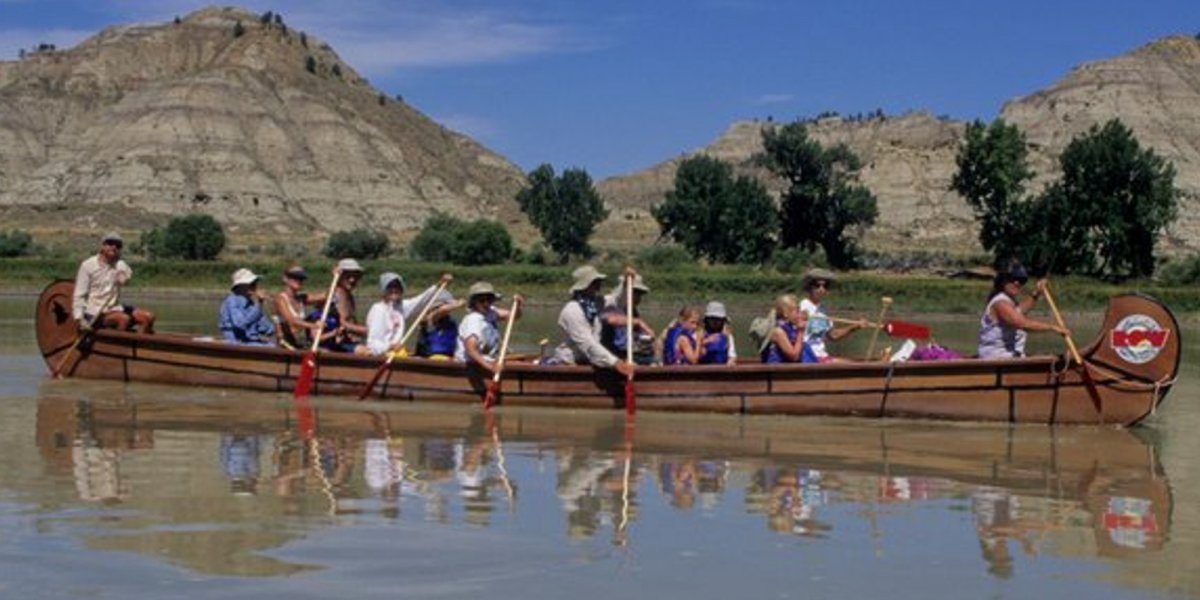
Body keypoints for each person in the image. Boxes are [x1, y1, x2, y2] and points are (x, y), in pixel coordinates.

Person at [548, 265, 634, 378]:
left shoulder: (596, 303)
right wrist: (615, 362)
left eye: (599, 282)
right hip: (569, 363)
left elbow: (617, 300)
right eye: (595, 283)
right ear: (584, 286)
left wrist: (625, 283)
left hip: (589, 360)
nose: (598, 287)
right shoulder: (572, 310)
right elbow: (588, 343)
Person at [978, 260, 1069, 359]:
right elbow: (1022, 324)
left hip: (1009, 354)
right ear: (1002, 281)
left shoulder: (1007, 300)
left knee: (1045, 356)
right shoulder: (1000, 303)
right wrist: (1052, 327)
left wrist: (1036, 293)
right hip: (996, 356)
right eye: (1012, 279)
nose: (1017, 283)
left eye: (1021, 280)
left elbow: (1020, 310)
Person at [72, 232, 155, 333]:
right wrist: (79, 319)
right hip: (94, 312)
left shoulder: (120, 264)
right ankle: (118, 346)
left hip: (114, 308)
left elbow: (125, 280)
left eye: (118, 245)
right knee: (123, 319)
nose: (114, 247)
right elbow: (79, 295)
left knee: (148, 317)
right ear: (102, 246)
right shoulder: (88, 266)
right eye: (110, 243)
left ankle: (140, 344)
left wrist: (121, 274)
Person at [363, 271, 453, 356]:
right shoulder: (378, 310)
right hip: (382, 355)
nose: (394, 289)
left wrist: (439, 284)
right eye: (390, 287)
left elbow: (421, 300)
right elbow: (373, 344)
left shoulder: (400, 307)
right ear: (384, 290)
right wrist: (390, 346)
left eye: (397, 287)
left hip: (396, 353)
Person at [454, 282, 523, 372]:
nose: (486, 304)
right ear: (474, 302)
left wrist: (517, 306)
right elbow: (471, 349)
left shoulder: (491, 312)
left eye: (489, 300)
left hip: (488, 359)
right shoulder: (473, 320)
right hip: (471, 363)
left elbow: (514, 316)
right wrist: (490, 367)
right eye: (482, 300)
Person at [798, 268, 863, 363]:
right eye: (817, 285)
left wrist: (855, 327)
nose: (821, 289)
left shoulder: (823, 310)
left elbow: (833, 335)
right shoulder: (802, 306)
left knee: (851, 363)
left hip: (822, 356)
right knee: (850, 364)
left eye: (825, 286)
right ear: (809, 287)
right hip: (807, 356)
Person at [600, 275, 656, 365]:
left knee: (652, 359)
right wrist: (638, 322)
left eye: (640, 294)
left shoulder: (632, 310)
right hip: (610, 353)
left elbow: (638, 333)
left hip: (628, 353)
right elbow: (609, 319)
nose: (638, 297)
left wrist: (647, 336)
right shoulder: (611, 302)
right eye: (636, 293)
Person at [272, 264, 326, 349]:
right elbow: (291, 320)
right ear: (285, 279)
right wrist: (314, 326)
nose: (299, 281)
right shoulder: (280, 299)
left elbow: (326, 295)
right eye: (295, 277)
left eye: (301, 278)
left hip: (300, 344)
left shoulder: (301, 298)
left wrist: (337, 276)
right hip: (285, 345)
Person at [218, 268, 275, 345]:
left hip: (252, 341)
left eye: (255, 283)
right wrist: (259, 304)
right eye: (252, 283)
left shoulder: (252, 304)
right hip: (237, 343)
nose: (255, 286)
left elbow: (266, 328)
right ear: (240, 286)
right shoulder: (232, 301)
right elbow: (240, 324)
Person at [324, 258, 367, 352]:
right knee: (368, 352)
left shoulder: (349, 295)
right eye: (348, 276)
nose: (352, 280)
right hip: (335, 343)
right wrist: (365, 330)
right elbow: (341, 323)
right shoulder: (335, 293)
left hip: (348, 341)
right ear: (340, 277)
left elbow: (351, 322)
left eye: (355, 276)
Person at [761, 294, 816, 364]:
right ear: (785, 313)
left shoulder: (791, 327)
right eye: (797, 310)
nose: (799, 314)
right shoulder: (778, 332)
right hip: (777, 370)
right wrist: (801, 331)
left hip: (789, 369)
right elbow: (794, 356)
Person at [416, 292, 465, 359]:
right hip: (430, 358)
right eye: (447, 305)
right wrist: (457, 304)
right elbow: (442, 310)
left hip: (448, 356)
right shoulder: (429, 319)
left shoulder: (449, 321)